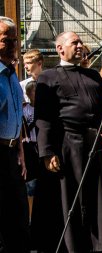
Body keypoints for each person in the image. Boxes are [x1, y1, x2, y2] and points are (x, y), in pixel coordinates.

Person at [32, 31, 102, 252]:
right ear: (60, 49)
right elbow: (44, 118)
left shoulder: (94, 76)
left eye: (80, 42)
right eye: (74, 42)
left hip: (93, 144)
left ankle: (97, 245)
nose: (79, 45)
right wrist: (47, 151)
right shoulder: (48, 77)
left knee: (94, 197)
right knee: (68, 199)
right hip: (66, 145)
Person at [0, 16, 30, 253]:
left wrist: (19, 149)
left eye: (14, 39)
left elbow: (16, 115)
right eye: (5, 40)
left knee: (18, 219)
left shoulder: (12, 75)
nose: (12, 45)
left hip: (12, 155)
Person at [22, 80, 39, 222]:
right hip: (29, 147)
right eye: (30, 91)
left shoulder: (43, 108)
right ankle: (30, 217)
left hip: (40, 146)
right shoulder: (25, 109)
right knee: (30, 184)